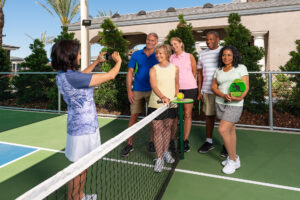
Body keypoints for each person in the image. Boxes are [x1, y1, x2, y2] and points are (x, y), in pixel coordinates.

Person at [51, 40, 122, 200]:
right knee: (80, 170)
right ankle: (74, 198)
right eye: (79, 53)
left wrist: (96, 61)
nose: (81, 55)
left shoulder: (64, 75)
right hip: (84, 130)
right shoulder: (74, 78)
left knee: (82, 167)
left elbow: (82, 75)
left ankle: (79, 196)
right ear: (70, 56)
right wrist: (119, 62)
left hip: (78, 127)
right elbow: (111, 75)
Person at [211, 46, 249, 174]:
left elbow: (245, 87)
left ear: (234, 56)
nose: (226, 57)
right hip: (220, 102)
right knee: (231, 130)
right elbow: (214, 87)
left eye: (229, 55)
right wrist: (223, 95)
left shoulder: (241, 68)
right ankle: (235, 158)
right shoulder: (219, 70)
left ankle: (232, 160)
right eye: (223, 55)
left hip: (235, 104)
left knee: (222, 129)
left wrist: (239, 97)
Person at [121, 33, 159, 157]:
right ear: (146, 40)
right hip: (137, 90)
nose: (149, 42)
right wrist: (129, 90)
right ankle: (129, 143)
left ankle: (152, 141)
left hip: (153, 90)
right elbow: (130, 72)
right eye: (148, 39)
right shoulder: (137, 54)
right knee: (133, 116)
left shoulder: (158, 55)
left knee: (153, 118)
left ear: (156, 42)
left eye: (152, 40)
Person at [148, 44, 179, 172]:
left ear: (167, 54)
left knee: (167, 128)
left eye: (161, 53)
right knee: (157, 130)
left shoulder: (175, 68)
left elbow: (177, 84)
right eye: (157, 53)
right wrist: (163, 97)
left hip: (172, 104)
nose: (158, 55)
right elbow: (154, 86)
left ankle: (166, 151)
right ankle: (159, 158)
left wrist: (177, 97)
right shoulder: (153, 69)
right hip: (156, 104)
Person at [197, 31, 227, 156]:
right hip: (207, 91)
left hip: (222, 92)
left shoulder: (224, 52)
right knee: (209, 117)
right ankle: (209, 141)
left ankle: (226, 145)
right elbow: (200, 73)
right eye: (207, 40)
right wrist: (199, 90)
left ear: (217, 39)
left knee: (225, 119)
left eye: (211, 39)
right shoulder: (202, 54)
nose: (208, 41)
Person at [169, 37, 197, 152]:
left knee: (187, 114)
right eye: (172, 44)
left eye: (175, 43)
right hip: (176, 90)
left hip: (190, 88)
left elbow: (194, 72)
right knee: (175, 116)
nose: (173, 46)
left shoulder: (189, 56)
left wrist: (187, 81)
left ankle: (185, 140)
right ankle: (171, 140)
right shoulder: (171, 58)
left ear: (181, 44)